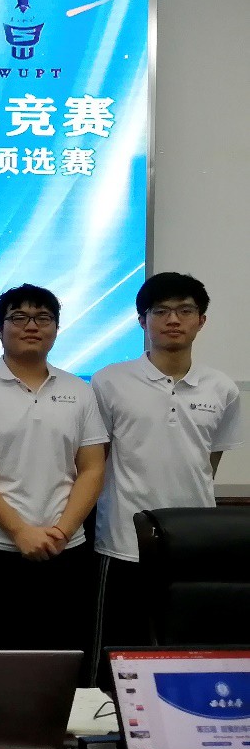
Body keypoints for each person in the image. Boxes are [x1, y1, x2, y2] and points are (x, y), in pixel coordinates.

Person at [0, 285, 107, 653]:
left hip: (63, 547)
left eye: (43, 318)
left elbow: (92, 468)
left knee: (59, 657)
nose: (32, 326)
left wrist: (62, 532)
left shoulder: (79, 390)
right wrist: (19, 531)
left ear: (57, 328)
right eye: (18, 318)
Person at [90, 273, 242, 672]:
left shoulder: (222, 388)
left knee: (187, 652)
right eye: (161, 311)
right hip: (123, 539)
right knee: (116, 654)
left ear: (201, 320)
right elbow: (95, 460)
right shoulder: (109, 381)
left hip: (192, 543)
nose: (173, 319)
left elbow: (209, 461)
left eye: (185, 310)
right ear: (142, 320)